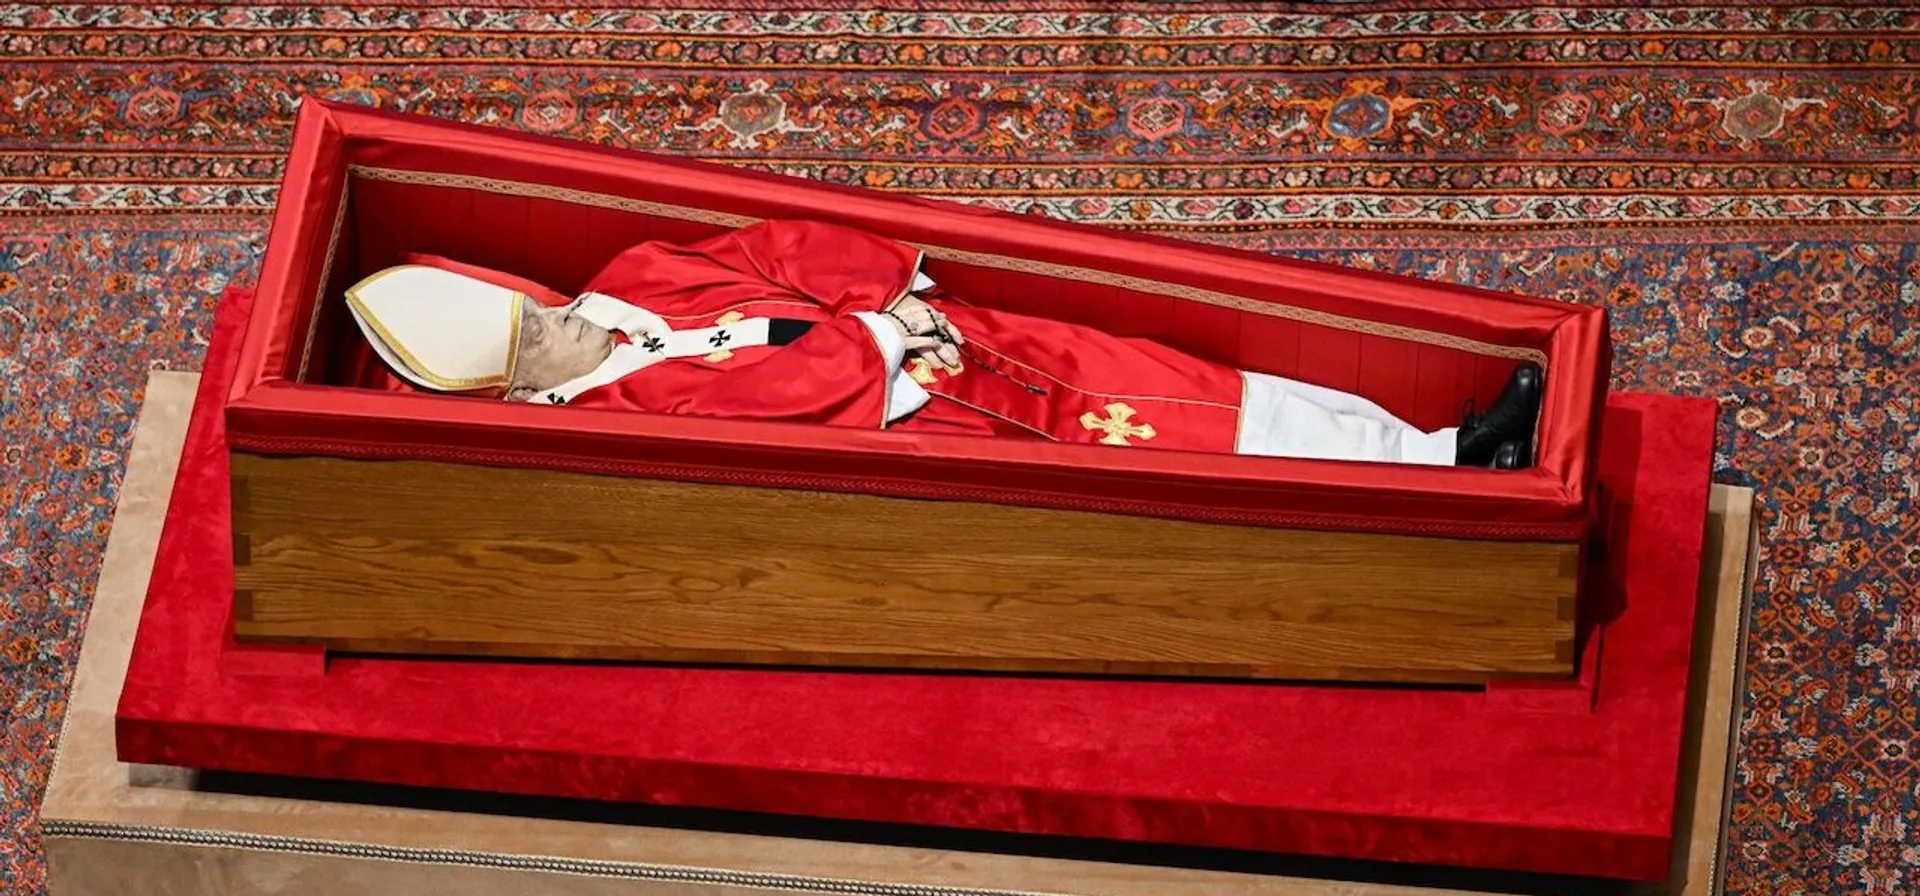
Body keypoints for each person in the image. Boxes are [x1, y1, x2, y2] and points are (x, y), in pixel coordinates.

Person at [344, 219, 1544, 468]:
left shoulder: (629, 279)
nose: (570, 313)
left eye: (547, 304)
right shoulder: (621, 422)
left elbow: (776, 250)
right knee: (1196, 449)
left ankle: (1434, 445)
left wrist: (894, 297)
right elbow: (779, 411)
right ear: (526, 389)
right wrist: (882, 339)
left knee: (1199, 384)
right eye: (549, 333)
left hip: (968, 343)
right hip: (955, 430)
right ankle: (1449, 484)